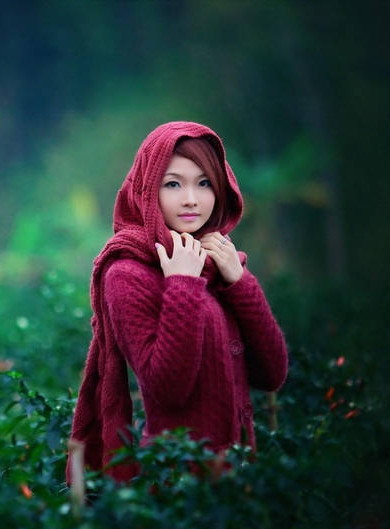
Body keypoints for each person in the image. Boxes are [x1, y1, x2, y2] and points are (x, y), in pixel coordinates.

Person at [66, 121, 288, 483]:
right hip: (176, 486)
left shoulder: (219, 262)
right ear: (147, 190)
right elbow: (167, 390)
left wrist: (240, 282)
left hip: (240, 483)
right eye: (173, 184)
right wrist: (182, 284)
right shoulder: (126, 273)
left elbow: (272, 374)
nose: (191, 199)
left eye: (204, 183)